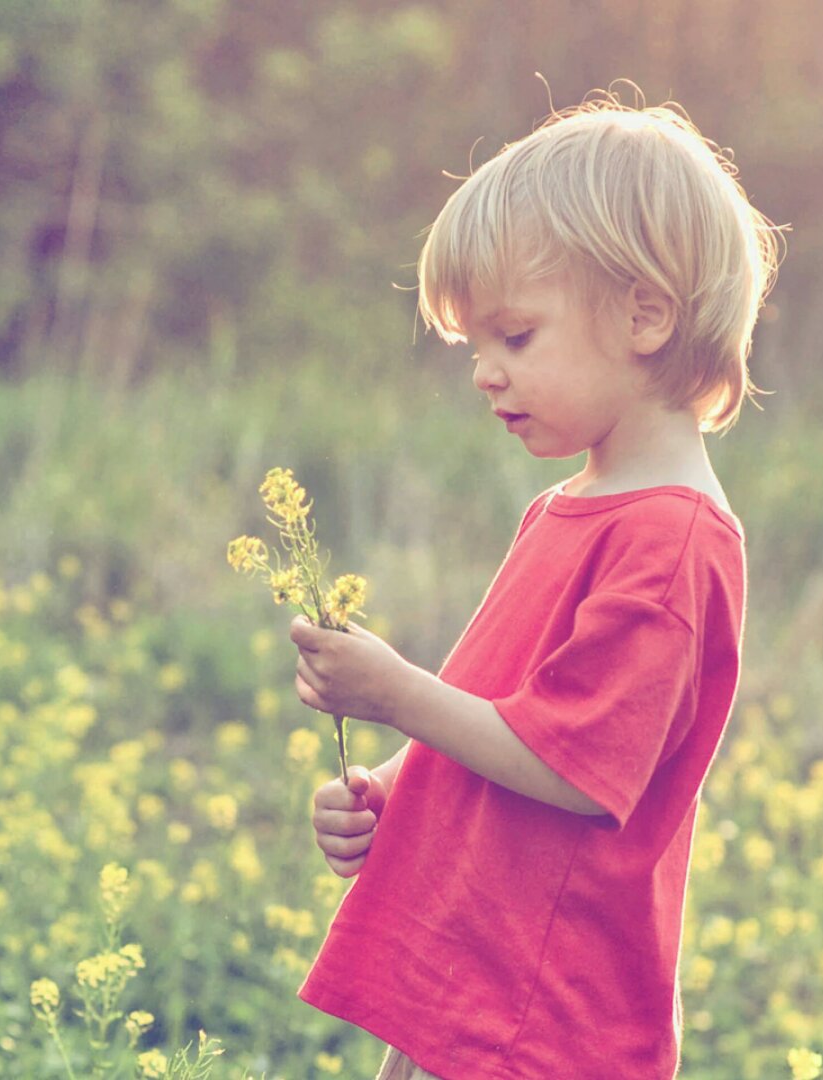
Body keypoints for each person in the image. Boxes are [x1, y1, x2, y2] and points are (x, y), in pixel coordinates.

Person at [289, 89, 781, 1079]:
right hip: (475, 972)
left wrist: (396, 696)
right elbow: (510, 713)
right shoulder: (569, 508)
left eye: (514, 338)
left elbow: (575, 769)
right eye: (476, 347)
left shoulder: (673, 540)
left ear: (645, 313)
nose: (484, 373)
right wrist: (392, 789)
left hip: (547, 1015)